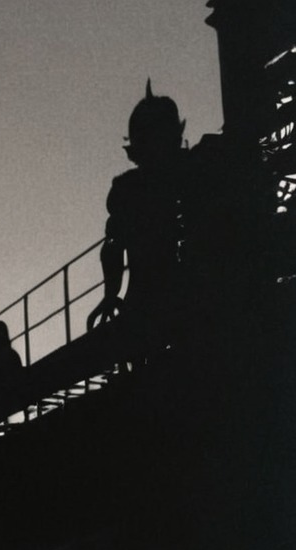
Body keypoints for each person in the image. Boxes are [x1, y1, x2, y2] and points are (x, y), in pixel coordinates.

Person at [87, 81, 194, 356]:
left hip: (148, 303)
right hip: (186, 298)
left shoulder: (126, 190)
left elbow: (113, 244)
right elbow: (114, 244)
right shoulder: (197, 172)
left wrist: (111, 294)